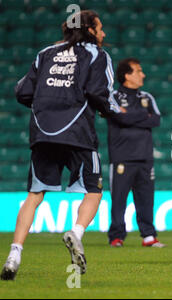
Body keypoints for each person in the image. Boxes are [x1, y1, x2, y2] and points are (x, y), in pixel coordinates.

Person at [1, 10, 122, 280]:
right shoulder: (96, 55)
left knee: (34, 196)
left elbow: (22, 91)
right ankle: (76, 233)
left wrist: (47, 107)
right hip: (78, 133)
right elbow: (98, 91)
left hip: (43, 132)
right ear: (90, 30)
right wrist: (111, 111)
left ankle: (14, 254)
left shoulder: (45, 53)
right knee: (94, 190)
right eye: (100, 28)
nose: (104, 34)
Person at [107, 58, 164, 248]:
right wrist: (141, 115)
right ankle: (117, 237)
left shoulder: (147, 97)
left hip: (145, 157)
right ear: (127, 75)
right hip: (122, 157)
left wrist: (128, 115)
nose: (143, 74)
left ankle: (148, 236)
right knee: (118, 199)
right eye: (138, 71)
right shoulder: (113, 96)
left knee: (146, 199)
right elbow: (118, 118)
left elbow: (156, 120)